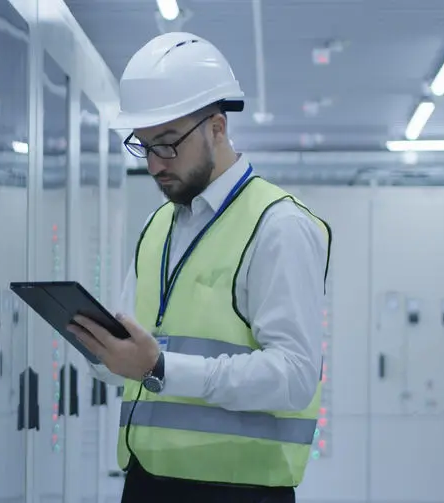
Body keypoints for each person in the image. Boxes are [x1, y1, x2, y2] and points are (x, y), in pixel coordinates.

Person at [67, 32, 332, 503]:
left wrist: (161, 367)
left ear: (217, 127)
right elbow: (140, 357)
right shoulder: (157, 226)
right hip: (147, 482)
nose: (154, 165)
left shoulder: (278, 225)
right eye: (143, 146)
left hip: (240, 490)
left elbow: (294, 376)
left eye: (167, 144)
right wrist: (104, 352)